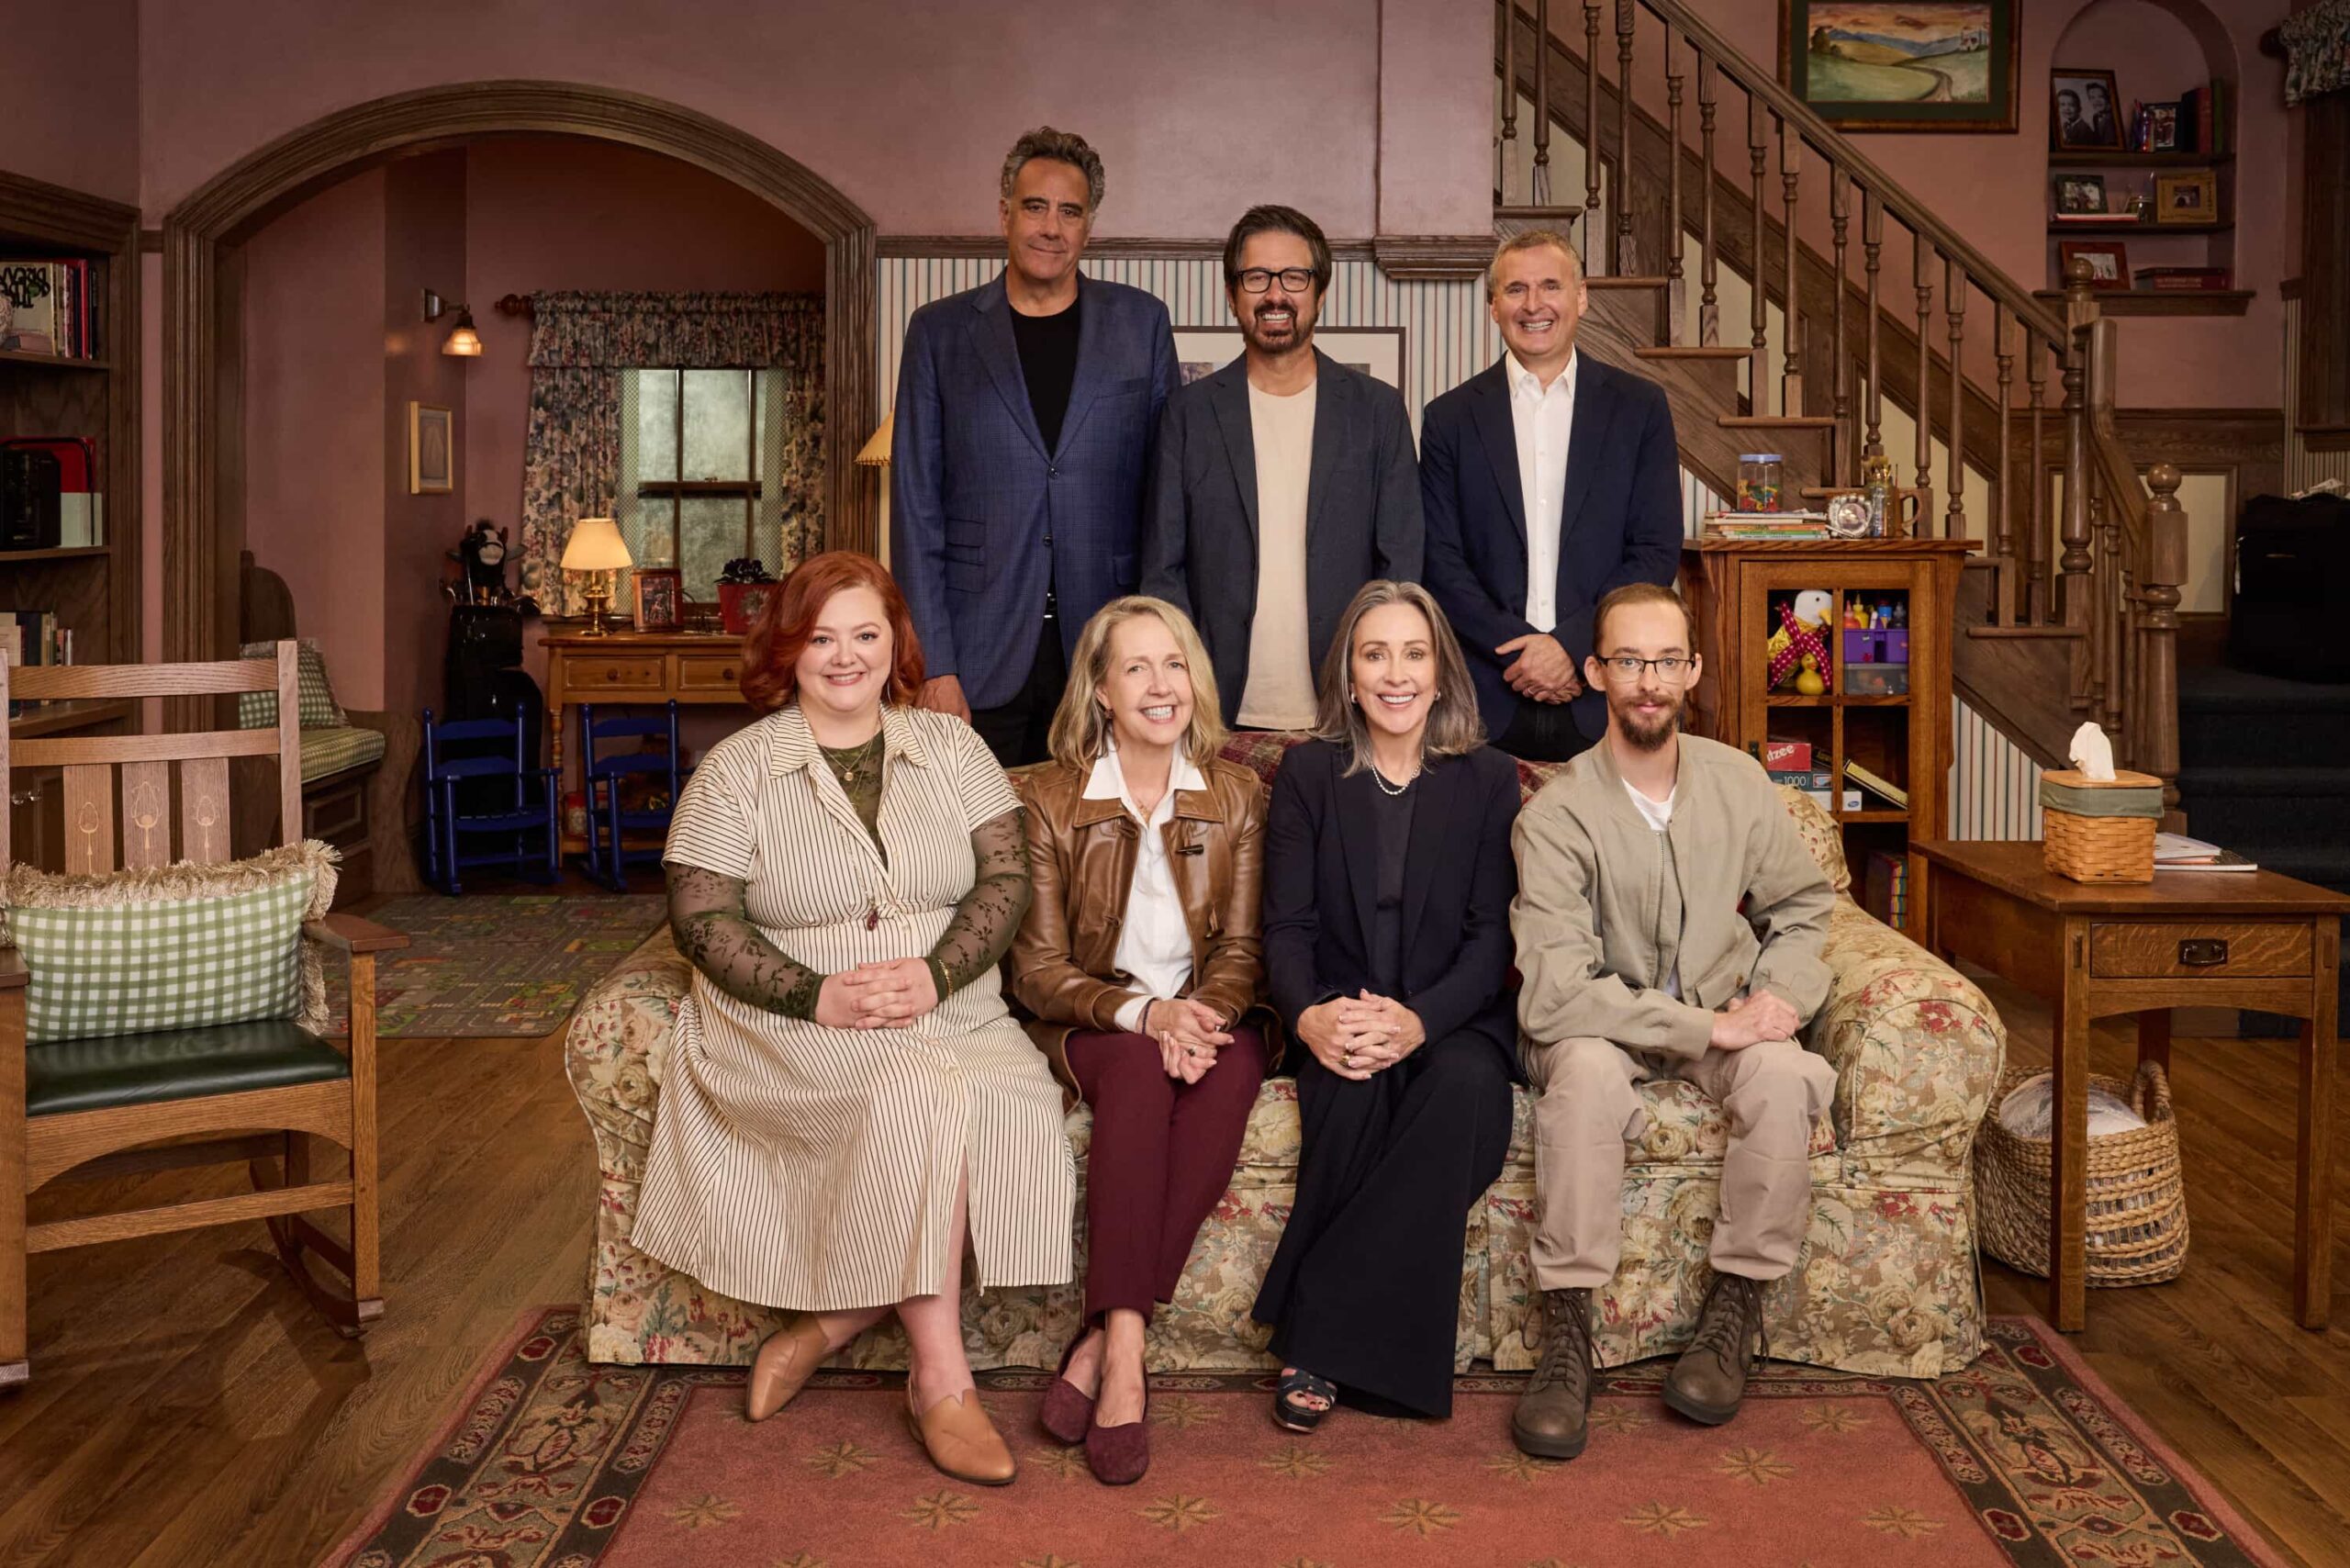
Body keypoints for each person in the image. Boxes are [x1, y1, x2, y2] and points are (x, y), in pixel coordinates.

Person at [633, 551, 1075, 1488]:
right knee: (915, 1094)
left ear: (895, 643)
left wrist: (937, 971)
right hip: (794, 1020)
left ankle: (831, 1324)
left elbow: (1006, 879)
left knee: (1012, 1103)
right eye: (820, 637)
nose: (844, 657)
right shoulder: (736, 768)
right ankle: (940, 1381)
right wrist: (816, 993)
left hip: (946, 1001)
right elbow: (700, 917)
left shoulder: (954, 747)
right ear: (787, 649)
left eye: (865, 634)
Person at [1507, 581, 1836, 1461]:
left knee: (1789, 1071)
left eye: (1664, 661)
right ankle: (1568, 1334)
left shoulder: (1738, 782)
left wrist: (1779, 998)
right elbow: (1552, 991)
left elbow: (1805, 910)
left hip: (1721, 1012)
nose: (1647, 681)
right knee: (1579, 1076)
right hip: (1601, 1031)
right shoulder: (1556, 813)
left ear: (1691, 670)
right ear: (1594, 673)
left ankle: (1734, 1314)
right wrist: (1705, 1030)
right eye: (1627, 661)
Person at [1010, 596, 1270, 1484]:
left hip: (1206, 1017)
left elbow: (1242, 950)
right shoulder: (1044, 800)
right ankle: (1128, 1355)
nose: (1161, 686)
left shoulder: (1236, 794)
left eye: (1174, 665)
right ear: (1099, 691)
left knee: (1230, 1075)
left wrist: (1201, 1017)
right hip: (1096, 1023)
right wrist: (1146, 1016)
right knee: (1135, 1074)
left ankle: (1106, 1339)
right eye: (1136, 669)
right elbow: (1038, 971)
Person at [1249, 579, 1521, 1429]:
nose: (1395, 674)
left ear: (1441, 672)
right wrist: (1309, 1018)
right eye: (1375, 654)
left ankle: (1315, 1332)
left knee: (1467, 1093)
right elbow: (1284, 927)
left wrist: (1419, 1023)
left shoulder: (1486, 779)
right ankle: (1345, 1336)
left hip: (1453, 1017)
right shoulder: (1307, 772)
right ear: (1350, 674)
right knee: (1353, 1090)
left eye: (1414, 653)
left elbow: (1491, 943)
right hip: (1338, 1009)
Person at [891, 126, 1181, 767]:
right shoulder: (939, 333)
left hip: (1109, 646)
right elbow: (915, 509)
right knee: (974, 857)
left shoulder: (1142, 324)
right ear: (1004, 214)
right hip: (977, 650)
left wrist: (1159, 644)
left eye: (1070, 211)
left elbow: (1168, 496)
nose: (1052, 227)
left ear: (1089, 226)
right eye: (1035, 206)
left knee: (1104, 853)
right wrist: (934, 663)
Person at [1140, 205, 1422, 729]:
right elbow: (1163, 570)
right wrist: (1186, 681)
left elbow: (1401, 566)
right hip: (1217, 709)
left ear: (1319, 292)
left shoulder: (1377, 411)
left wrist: (1379, 678)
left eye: (1294, 276)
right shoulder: (1188, 414)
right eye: (1256, 277)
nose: (1275, 294)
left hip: (1348, 707)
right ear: (1232, 294)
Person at [1420, 230, 1682, 765]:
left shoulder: (1640, 408)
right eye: (1515, 289)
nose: (1533, 305)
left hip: (1605, 688)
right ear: (1493, 306)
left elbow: (1654, 552)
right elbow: (1440, 561)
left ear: (1580, 297)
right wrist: (1523, 651)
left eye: (1550, 286)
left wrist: (1569, 645)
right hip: (1484, 697)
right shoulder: (1448, 418)